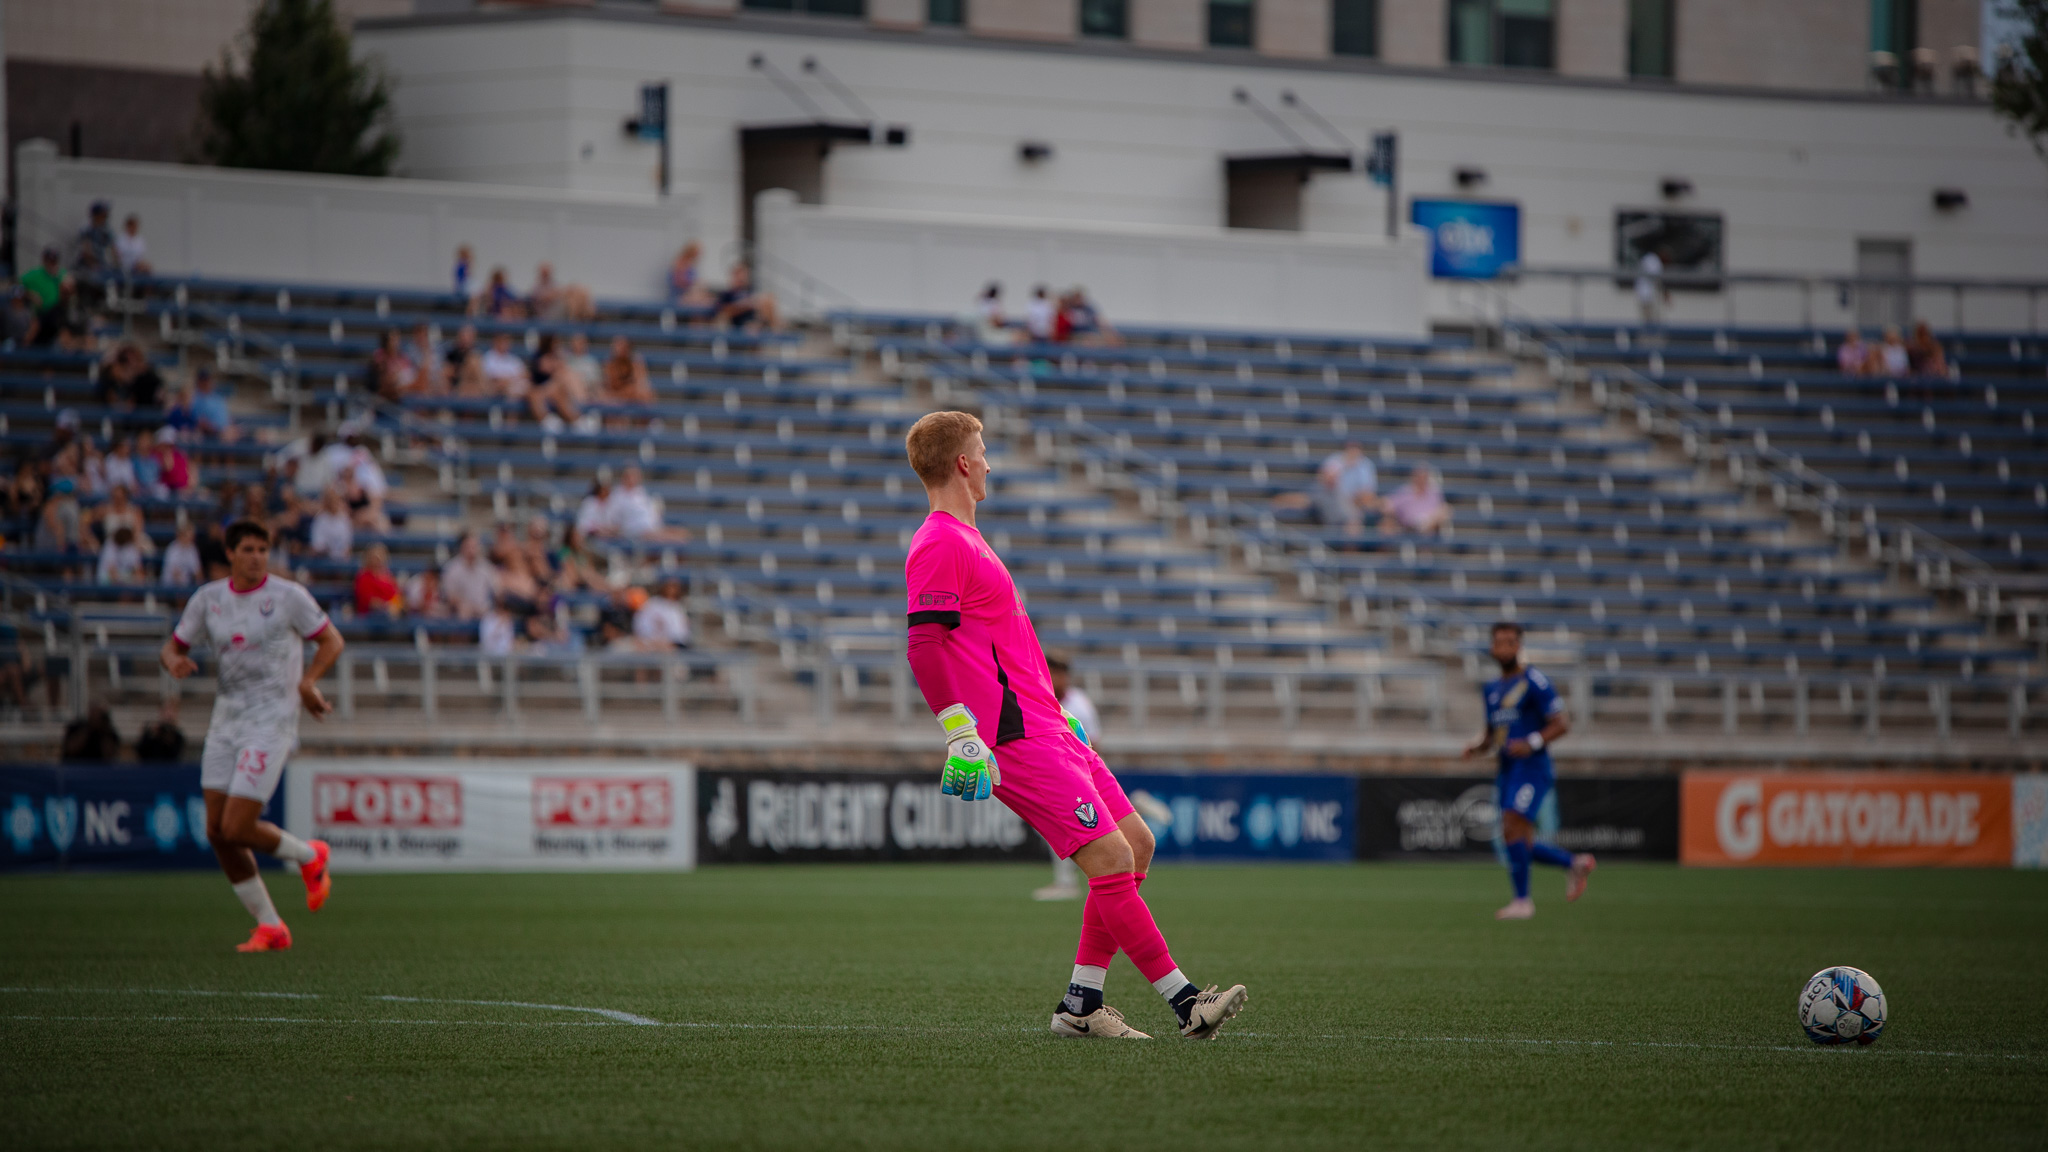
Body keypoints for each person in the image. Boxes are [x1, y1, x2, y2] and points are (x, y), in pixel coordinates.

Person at [900, 409, 1247, 1040]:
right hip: (1013, 735)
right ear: (960, 464)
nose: (988, 461)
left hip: (1049, 726)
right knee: (1111, 856)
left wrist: (1062, 714)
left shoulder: (968, 539)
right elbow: (925, 646)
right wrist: (960, 730)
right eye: (982, 450)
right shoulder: (940, 542)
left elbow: (1005, 647)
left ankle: (1081, 1007)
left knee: (1135, 842)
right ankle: (1185, 1001)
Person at [159, 520, 344, 952]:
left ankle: (309, 855)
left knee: (237, 824)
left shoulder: (288, 596)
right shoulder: (209, 599)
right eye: (248, 548)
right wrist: (172, 662)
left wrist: (307, 683)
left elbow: (331, 641)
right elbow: (173, 646)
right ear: (230, 554)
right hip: (226, 721)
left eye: (263, 548)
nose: (257, 556)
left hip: (272, 719)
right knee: (218, 831)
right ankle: (271, 926)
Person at [1461, 621, 1592, 920]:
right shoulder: (1492, 689)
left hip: (1532, 767)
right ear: (1492, 648)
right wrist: (1475, 747)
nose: (1503, 647)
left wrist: (1532, 741)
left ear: (1518, 646)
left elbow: (1561, 723)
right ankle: (1573, 863)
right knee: (1516, 838)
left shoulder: (1535, 681)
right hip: (1507, 768)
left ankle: (1523, 901)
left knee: (1512, 824)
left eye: (1509, 642)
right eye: (1498, 642)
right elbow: (1491, 735)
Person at [1034, 653, 1098, 902]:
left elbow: (1093, 742)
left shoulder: (1079, 704)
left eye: (1056, 673)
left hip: (1076, 773)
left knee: (1075, 826)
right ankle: (1066, 880)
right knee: (1057, 826)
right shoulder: (1040, 697)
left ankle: (1068, 882)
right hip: (1054, 772)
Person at [1275, 442, 1379, 533]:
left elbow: (1367, 493)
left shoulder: (1365, 465)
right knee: (1307, 499)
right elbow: (1325, 479)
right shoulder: (1336, 460)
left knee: (1355, 519)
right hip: (1328, 494)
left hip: (1351, 501)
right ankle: (1279, 502)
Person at [441, 531, 500, 620]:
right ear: (462, 548)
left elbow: (497, 589)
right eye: (469, 547)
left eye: (475, 546)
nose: (472, 550)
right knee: (463, 613)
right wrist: (463, 604)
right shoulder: (452, 568)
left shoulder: (486, 567)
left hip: (484, 612)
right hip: (460, 611)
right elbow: (449, 595)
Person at [1380, 465, 1451, 536]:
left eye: (1424, 477)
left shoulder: (1434, 493)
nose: (1421, 480)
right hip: (1408, 529)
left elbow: (1443, 510)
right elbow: (1387, 504)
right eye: (1419, 477)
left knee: (1445, 511)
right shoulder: (1405, 491)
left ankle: (1424, 527)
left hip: (1431, 527)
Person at [712, 262, 780, 331]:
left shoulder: (750, 292)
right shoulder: (727, 294)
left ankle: (775, 330)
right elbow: (723, 311)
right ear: (733, 276)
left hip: (754, 324)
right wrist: (746, 305)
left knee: (768, 298)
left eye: (745, 275)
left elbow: (759, 308)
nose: (742, 278)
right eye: (739, 275)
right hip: (738, 326)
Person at [633, 575, 691, 651]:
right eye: (669, 586)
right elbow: (641, 624)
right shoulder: (653, 603)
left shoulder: (678, 607)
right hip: (650, 644)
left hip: (673, 646)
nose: (671, 590)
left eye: (674, 586)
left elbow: (681, 633)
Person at [600, 335, 656, 407]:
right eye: (617, 345)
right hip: (614, 399)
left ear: (628, 348)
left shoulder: (636, 362)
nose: (619, 349)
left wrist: (625, 394)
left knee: (646, 394)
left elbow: (639, 385)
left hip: (631, 398)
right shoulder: (609, 363)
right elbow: (609, 387)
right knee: (604, 397)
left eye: (622, 346)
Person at [354, 543, 404, 617]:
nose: (378, 559)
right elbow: (369, 601)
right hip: (371, 615)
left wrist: (396, 605)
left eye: (381, 556)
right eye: (375, 557)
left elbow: (396, 595)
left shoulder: (388, 576)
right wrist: (387, 606)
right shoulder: (363, 577)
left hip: (391, 613)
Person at [370, 329, 419, 401]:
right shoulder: (380, 356)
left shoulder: (402, 357)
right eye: (392, 339)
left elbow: (411, 374)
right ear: (386, 340)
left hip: (404, 389)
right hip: (389, 393)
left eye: (397, 339)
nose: (395, 342)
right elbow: (382, 379)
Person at [308, 488, 353, 562]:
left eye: (336, 500)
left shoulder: (344, 519)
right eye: (331, 500)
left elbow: (348, 546)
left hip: (341, 561)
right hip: (324, 561)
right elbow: (317, 546)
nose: (334, 503)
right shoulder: (320, 520)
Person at [480, 331, 531, 398]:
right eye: (502, 340)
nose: (504, 343)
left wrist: (509, 380)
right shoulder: (488, 357)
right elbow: (494, 380)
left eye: (507, 340)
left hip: (516, 388)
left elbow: (526, 374)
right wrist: (513, 379)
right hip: (497, 391)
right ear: (495, 341)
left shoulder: (513, 359)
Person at [190, 369, 234, 440]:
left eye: (209, 380)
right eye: (204, 381)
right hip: (213, 434)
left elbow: (227, 418)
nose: (208, 383)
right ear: (199, 382)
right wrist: (218, 429)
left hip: (226, 430)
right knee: (228, 437)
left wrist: (230, 427)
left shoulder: (217, 398)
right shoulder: (196, 399)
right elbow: (200, 422)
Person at [670, 242, 713, 308]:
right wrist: (694, 284)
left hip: (691, 292)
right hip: (681, 294)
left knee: (709, 300)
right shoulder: (680, 263)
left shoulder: (692, 264)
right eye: (698, 252)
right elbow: (678, 282)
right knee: (702, 301)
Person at [1634, 246, 1668, 329]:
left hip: (1644, 295)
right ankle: (1649, 340)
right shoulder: (1653, 260)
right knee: (1651, 322)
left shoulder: (1646, 258)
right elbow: (1656, 279)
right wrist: (1665, 292)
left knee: (1647, 321)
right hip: (1648, 296)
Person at [115, 214, 151, 278]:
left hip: (138, 267)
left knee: (147, 269)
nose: (134, 228)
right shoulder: (120, 240)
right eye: (132, 226)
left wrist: (140, 264)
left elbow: (141, 256)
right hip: (124, 267)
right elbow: (119, 256)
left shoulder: (140, 240)